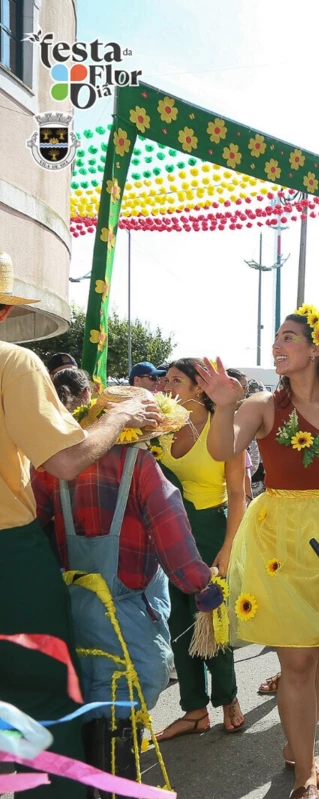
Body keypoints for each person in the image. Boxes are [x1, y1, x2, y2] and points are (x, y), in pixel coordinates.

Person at [195, 304, 319, 799]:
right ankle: (305, 767)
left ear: (315, 347)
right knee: (298, 662)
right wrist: (222, 406)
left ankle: (297, 742)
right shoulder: (261, 405)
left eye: (288, 338)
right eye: (276, 338)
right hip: (279, 540)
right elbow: (222, 451)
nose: (277, 346)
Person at [0, 252, 164, 799]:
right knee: (41, 698)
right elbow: (66, 462)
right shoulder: (13, 364)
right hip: (10, 558)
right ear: (5, 312)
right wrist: (118, 418)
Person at [33, 384, 223, 779]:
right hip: (125, 609)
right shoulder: (140, 467)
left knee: (81, 694)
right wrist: (202, 586)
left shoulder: (55, 467)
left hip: (68, 605)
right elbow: (175, 542)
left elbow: (34, 530)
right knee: (126, 698)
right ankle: (113, 775)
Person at [153, 358, 249, 741]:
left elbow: (239, 496)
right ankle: (194, 711)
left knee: (212, 618)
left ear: (198, 389)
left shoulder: (223, 428)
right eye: (165, 381)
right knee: (177, 621)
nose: (166, 387)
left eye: (176, 381)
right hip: (167, 532)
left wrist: (228, 547)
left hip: (209, 530)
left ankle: (228, 699)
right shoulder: (160, 427)